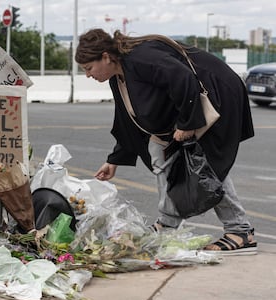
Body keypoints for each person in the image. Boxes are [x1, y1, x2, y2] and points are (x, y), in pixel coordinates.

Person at [75, 28, 257, 255]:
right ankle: (168, 224)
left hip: (217, 96)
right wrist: (114, 160)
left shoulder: (142, 58)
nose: (88, 75)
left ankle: (240, 231)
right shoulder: (118, 76)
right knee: (158, 151)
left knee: (206, 167)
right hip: (190, 109)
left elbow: (182, 77)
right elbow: (129, 119)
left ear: (105, 56)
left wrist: (187, 123)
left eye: (88, 68)